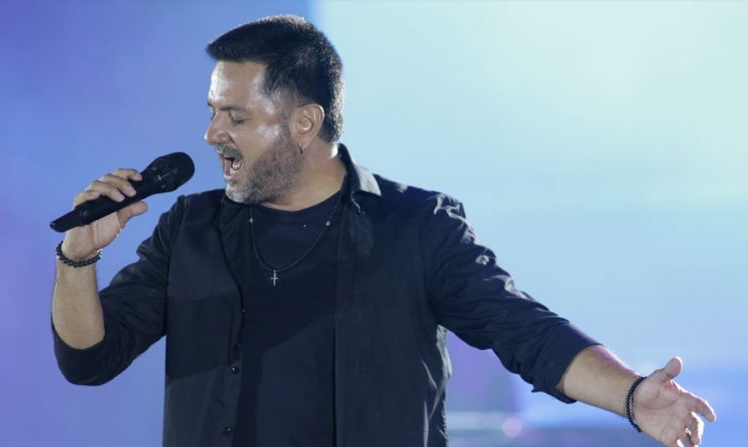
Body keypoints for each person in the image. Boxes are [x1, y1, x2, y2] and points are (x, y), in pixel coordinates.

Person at [52, 15, 716, 447]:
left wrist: (632, 395)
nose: (211, 134)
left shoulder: (416, 229)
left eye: (235, 117)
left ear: (305, 123)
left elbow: (525, 331)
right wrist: (77, 258)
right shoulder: (189, 228)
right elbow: (89, 358)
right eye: (212, 112)